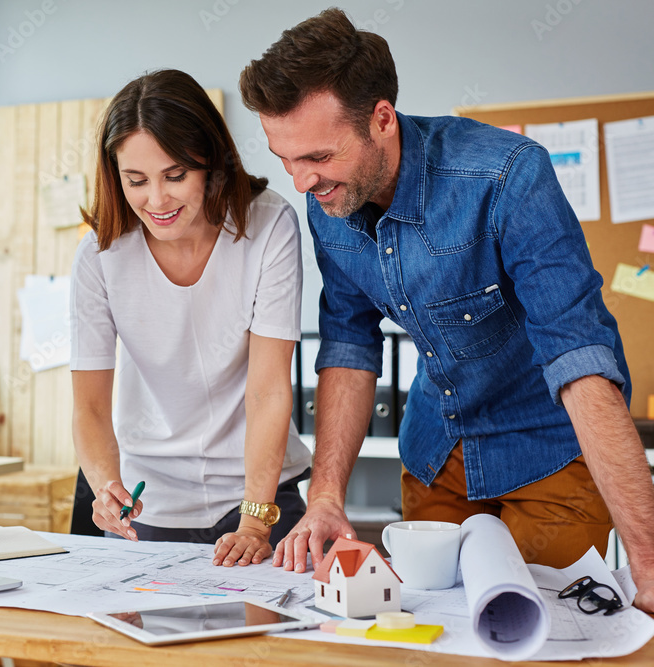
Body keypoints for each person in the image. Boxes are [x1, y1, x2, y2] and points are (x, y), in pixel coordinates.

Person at [239, 8, 654, 612]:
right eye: (286, 159)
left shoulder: (506, 176)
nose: (302, 183)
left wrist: (647, 562)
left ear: (381, 118)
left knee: (548, 630)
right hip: (435, 452)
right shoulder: (329, 201)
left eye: (320, 158)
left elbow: (579, 357)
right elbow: (350, 345)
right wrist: (326, 494)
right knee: (431, 628)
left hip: (546, 451)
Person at [70, 69, 311, 567]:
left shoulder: (268, 226)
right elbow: (90, 408)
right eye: (136, 180)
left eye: (175, 175)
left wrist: (254, 520)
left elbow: (268, 390)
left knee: (271, 637)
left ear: (210, 162)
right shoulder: (98, 255)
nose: (156, 201)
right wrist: (105, 489)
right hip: (150, 499)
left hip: (259, 495)